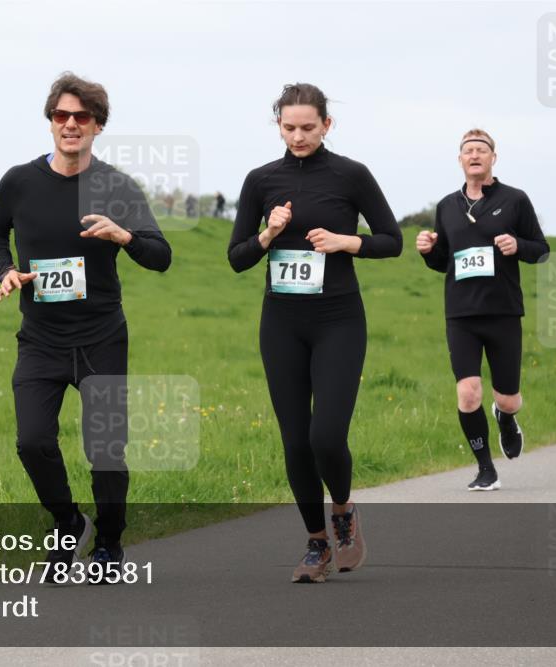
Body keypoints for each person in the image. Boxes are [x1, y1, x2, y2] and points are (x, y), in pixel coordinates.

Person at [0, 72, 171, 582]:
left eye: (81, 117)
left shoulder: (117, 187)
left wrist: (124, 236)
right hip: (40, 340)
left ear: (98, 125)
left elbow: (161, 256)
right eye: (61, 115)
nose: (70, 124)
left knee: (105, 451)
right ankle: (68, 523)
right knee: (32, 442)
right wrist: (5, 270)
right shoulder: (18, 182)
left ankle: (109, 543)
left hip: (100, 338)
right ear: (50, 122)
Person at [227, 83, 402, 583]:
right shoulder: (261, 180)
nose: (299, 136)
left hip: (338, 321)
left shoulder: (351, 175)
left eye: (308, 127)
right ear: (278, 126)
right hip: (281, 323)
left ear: (327, 124)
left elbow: (392, 240)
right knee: (295, 441)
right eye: (289, 127)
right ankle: (316, 543)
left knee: (325, 435)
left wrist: (347, 241)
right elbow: (237, 258)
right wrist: (268, 233)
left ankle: (343, 511)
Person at [417, 129, 549, 491]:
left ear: (493, 157)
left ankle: (506, 418)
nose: (474, 155)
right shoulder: (447, 206)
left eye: (481, 150)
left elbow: (541, 250)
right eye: (468, 150)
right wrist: (428, 251)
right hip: (461, 315)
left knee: (508, 399)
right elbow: (444, 261)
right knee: (468, 393)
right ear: (460, 159)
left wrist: (517, 244)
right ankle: (485, 468)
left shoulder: (515, 200)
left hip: (503, 311)